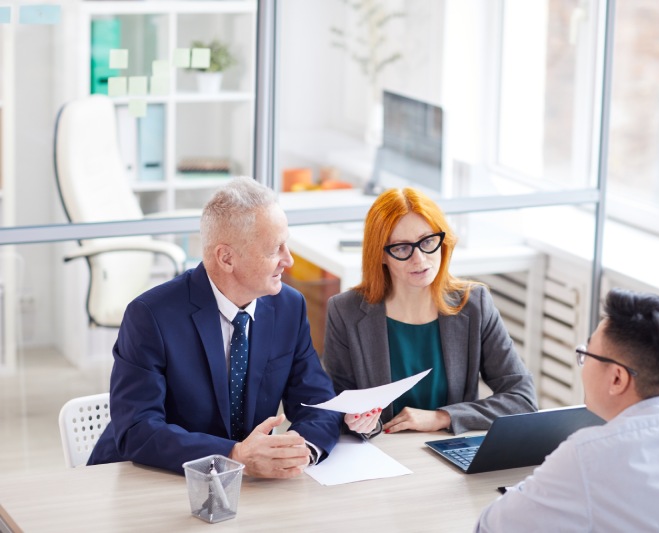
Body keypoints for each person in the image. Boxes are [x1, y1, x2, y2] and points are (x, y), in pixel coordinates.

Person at [88, 177, 341, 478]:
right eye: (275, 249)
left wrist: (301, 452)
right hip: (147, 478)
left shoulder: (289, 307)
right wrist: (233, 456)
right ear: (226, 258)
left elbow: (319, 402)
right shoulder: (150, 316)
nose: (289, 260)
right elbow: (138, 430)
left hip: (242, 488)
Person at [475, 288, 659, 532]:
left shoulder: (589, 455)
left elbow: (490, 527)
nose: (583, 362)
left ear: (617, 378)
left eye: (587, 353)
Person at [323, 187, 537, 437]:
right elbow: (334, 403)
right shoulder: (345, 311)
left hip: (449, 446)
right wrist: (353, 420)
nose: (420, 259)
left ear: (442, 241)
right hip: (381, 450)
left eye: (427, 242)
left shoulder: (474, 304)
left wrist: (443, 417)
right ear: (381, 255)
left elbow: (522, 398)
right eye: (402, 248)